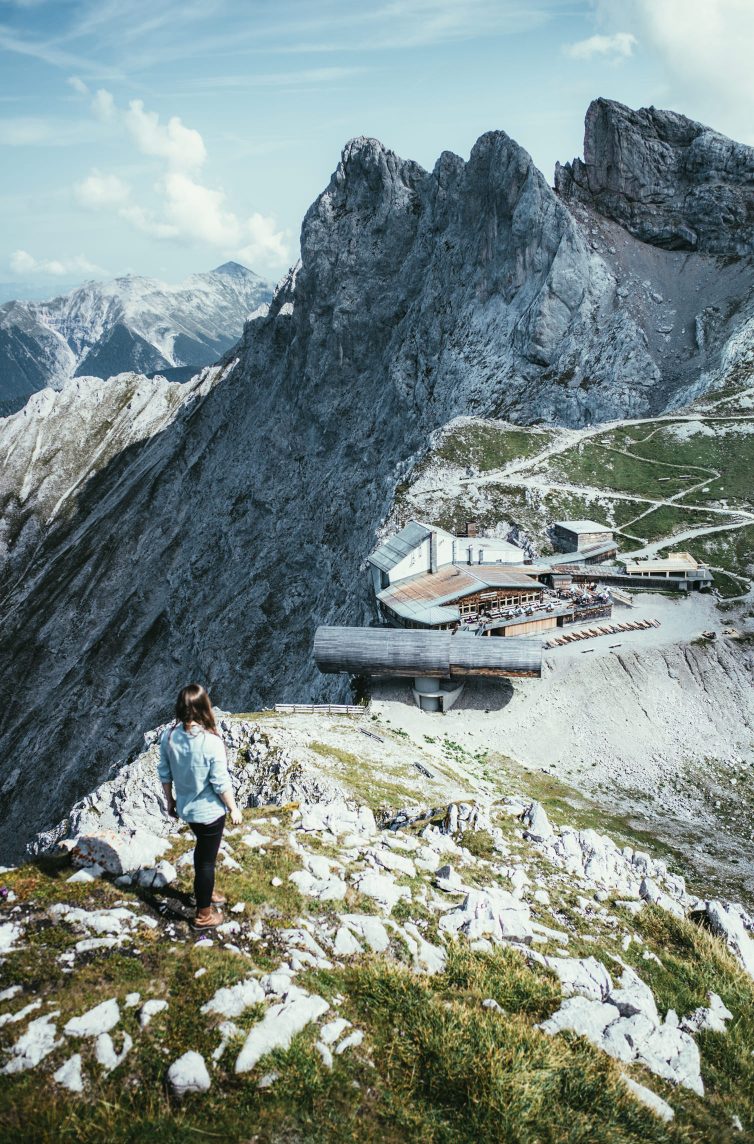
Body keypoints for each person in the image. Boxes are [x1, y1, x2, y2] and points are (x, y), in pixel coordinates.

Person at [157, 683, 242, 929]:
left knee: (204, 855)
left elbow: (165, 772)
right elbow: (220, 782)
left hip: (187, 810)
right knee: (206, 861)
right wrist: (233, 808)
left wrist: (170, 801)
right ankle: (204, 913)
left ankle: (206, 890)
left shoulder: (169, 736)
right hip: (210, 813)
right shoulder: (210, 741)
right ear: (204, 707)